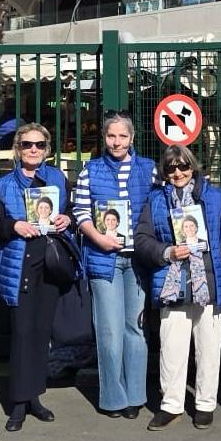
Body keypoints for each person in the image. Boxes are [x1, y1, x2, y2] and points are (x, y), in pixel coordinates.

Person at [135, 144, 221, 431]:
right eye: (171, 168)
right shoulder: (156, 200)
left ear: (193, 166)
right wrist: (167, 252)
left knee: (208, 347)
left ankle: (204, 404)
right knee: (172, 347)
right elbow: (142, 238)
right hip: (171, 280)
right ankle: (171, 404)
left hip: (208, 281)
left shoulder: (214, 197)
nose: (178, 172)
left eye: (183, 166)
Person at [74, 112, 157, 419]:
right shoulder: (90, 170)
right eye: (111, 136)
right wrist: (99, 238)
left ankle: (136, 395)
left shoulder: (149, 170)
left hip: (138, 261)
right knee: (109, 330)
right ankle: (113, 397)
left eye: (122, 136)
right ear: (105, 138)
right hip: (103, 257)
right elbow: (81, 211)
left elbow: (159, 207)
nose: (117, 142)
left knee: (135, 328)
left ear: (131, 138)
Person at [0, 123, 74, 432]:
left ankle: (35, 397)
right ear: (17, 149)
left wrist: (66, 217)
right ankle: (17, 402)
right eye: (27, 145)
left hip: (50, 262)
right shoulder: (2, 185)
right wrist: (13, 226)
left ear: (47, 149)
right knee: (22, 333)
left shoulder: (56, 179)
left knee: (42, 333)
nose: (33, 150)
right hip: (19, 262)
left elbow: (70, 212)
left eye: (39, 145)